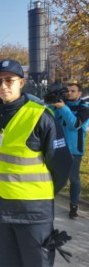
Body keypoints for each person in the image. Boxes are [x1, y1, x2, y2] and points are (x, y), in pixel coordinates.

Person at [0, 59, 72, 267]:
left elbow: (62, 164)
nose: (3, 86)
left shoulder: (40, 116)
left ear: (21, 83)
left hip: (33, 211)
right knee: (7, 262)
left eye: (9, 80)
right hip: (0, 207)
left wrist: (44, 193)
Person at [51, 82, 89, 219]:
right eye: (67, 91)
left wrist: (63, 108)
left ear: (79, 94)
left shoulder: (84, 108)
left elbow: (75, 124)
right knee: (54, 176)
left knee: (73, 179)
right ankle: (47, 201)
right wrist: (53, 105)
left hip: (74, 150)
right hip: (57, 147)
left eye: (73, 91)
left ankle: (74, 205)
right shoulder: (58, 104)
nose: (69, 93)